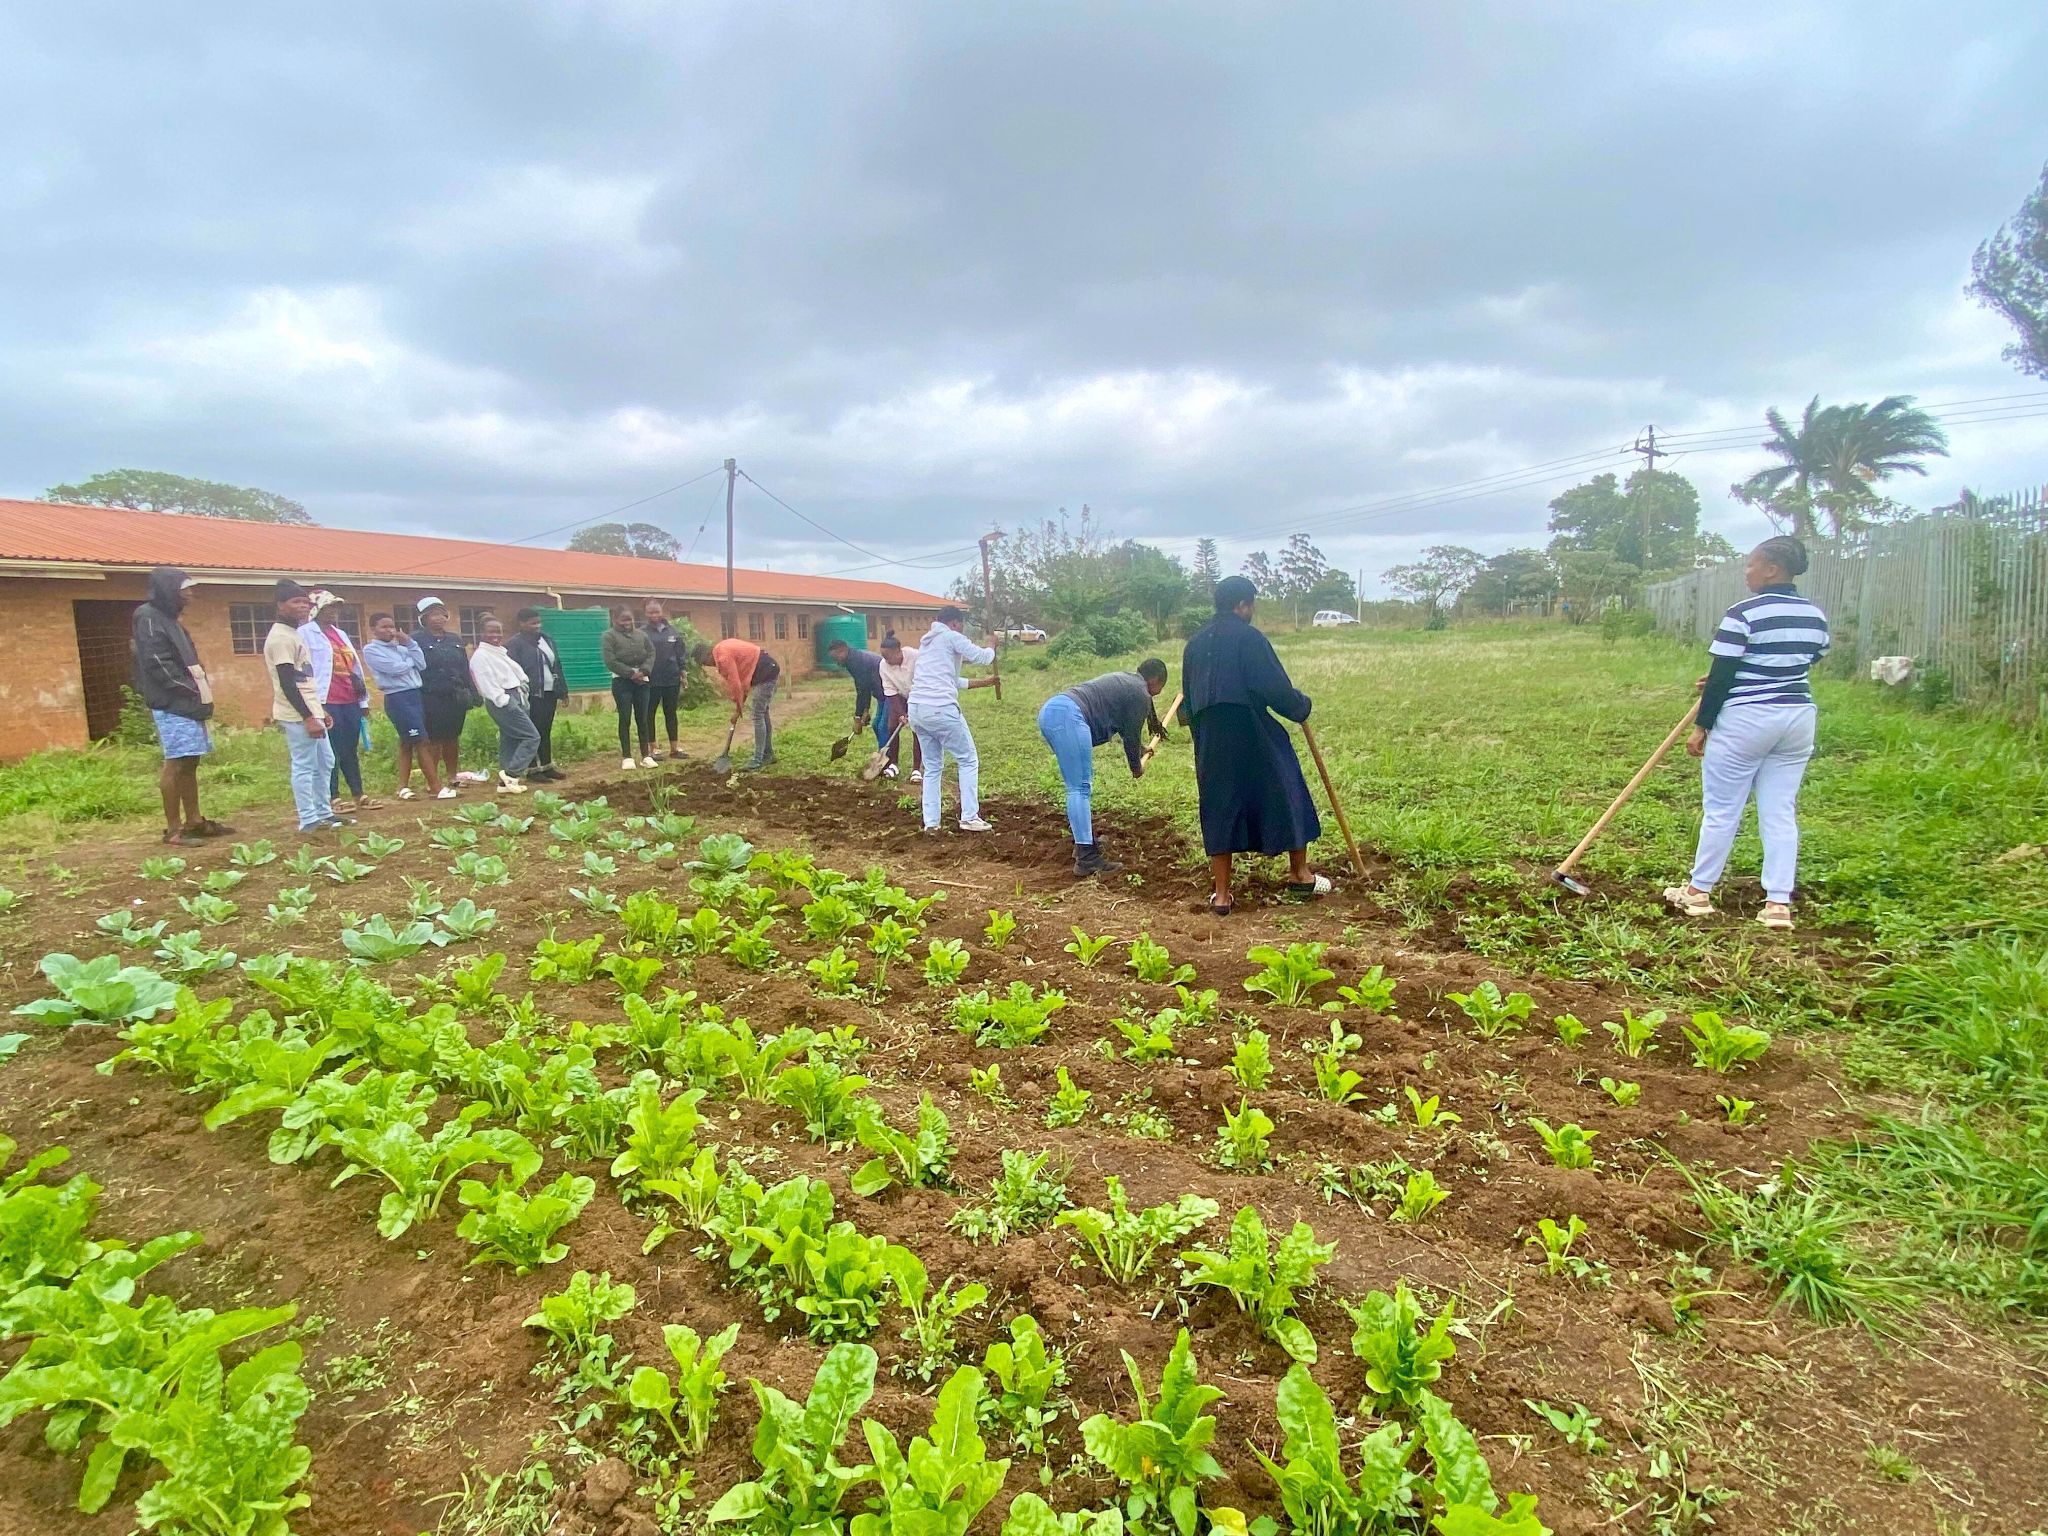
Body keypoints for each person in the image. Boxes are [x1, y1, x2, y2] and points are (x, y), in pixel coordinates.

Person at [1664, 535, 1830, 932]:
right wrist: (1744, 674)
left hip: (1747, 720)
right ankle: (1777, 904)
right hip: (1796, 718)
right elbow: (1806, 660)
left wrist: (1702, 726)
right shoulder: (1814, 615)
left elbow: (1723, 674)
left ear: (1773, 568)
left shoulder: (1743, 613)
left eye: (1752, 565)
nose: (1747, 572)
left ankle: (1698, 892)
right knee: (1779, 810)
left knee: (1722, 809)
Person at [1181, 575, 1329, 915]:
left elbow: (1187, 704)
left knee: (1218, 803)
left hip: (1210, 737)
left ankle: (1221, 896)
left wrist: (1201, 739)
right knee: (1288, 784)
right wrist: (1299, 705)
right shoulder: (1249, 638)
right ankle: (1300, 874)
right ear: (1242, 605)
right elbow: (1274, 687)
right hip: (1249, 727)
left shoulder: (1194, 644)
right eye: (1251, 605)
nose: (1252, 611)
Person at [130, 565, 233, 846]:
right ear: (169, 589)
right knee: (175, 763)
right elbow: (158, 663)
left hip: (188, 702)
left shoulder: (170, 619)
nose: (191, 593)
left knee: (190, 761)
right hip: (172, 703)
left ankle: (195, 821)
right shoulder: (148, 617)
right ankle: (174, 830)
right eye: (185, 588)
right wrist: (190, 690)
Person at [1038, 659, 1169, 877]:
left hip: (1055, 712)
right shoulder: (1140, 693)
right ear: (1155, 681)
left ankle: (1085, 842)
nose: (1156, 694)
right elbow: (1131, 737)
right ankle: (1086, 858)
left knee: (1080, 783)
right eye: (1160, 689)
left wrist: (1141, 749)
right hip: (1069, 716)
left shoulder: (1128, 682)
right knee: (1079, 787)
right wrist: (1136, 768)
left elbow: (1128, 728)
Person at [906, 605, 999, 833]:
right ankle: (969, 816)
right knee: (968, 759)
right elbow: (982, 657)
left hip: (916, 710)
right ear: (955, 623)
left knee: (933, 767)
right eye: (962, 625)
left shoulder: (927, 644)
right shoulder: (951, 637)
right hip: (940, 709)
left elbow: (952, 680)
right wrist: (992, 645)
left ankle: (931, 823)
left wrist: (985, 683)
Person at [265, 579, 346, 833]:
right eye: (295, 601)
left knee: (326, 761)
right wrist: (308, 717)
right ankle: (308, 818)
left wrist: (319, 711)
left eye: (305, 602)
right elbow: (288, 683)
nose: (302, 606)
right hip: (296, 713)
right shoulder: (280, 638)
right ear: (280, 605)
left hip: (311, 709)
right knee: (305, 765)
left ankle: (324, 812)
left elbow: (305, 679)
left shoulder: (294, 634)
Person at [308, 591, 382, 812]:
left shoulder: (340, 634)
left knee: (350, 748)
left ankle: (358, 793)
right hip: (326, 699)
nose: (333, 612)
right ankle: (332, 796)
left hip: (349, 697)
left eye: (336, 608)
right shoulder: (305, 634)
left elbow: (354, 668)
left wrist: (363, 701)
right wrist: (314, 705)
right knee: (330, 750)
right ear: (317, 609)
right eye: (328, 608)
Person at [363, 612, 449, 800]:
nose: (389, 630)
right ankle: (436, 787)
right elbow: (395, 669)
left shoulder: (402, 648)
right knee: (421, 740)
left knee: (407, 742)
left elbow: (422, 664)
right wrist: (408, 663)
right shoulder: (371, 650)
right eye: (383, 627)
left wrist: (410, 643)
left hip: (414, 695)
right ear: (373, 629)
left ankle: (402, 787)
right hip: (397, 697)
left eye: (391, 626)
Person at [469, 615, 540, 794]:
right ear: (481, 633)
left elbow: (516, 673)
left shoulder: (499, 651)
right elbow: (487, 684)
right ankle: (512, 773)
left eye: (499, 631)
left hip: (515, 696)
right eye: (491, 631)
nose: (496, 635)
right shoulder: (481, 656)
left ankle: (504, 783)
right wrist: (505, 701)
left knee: (510, 739)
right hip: (502, 701)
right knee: (531, 737)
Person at [693, 634, 783, 771]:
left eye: (706, 663)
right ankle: (768, 753)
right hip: (767, 668)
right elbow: (743, 683)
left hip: (765, 672)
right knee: (762, 713)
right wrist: (738, 707)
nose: (710, 666)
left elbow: (735, 685)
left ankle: (758, 759)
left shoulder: (722, 657)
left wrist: (738, 708)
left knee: (758, 715)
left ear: (707, 655)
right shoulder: (722, 648)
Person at [415, 598, 475, 792]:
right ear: (424, 618)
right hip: (430, 695)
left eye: (441, 614)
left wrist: (472, 691)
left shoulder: (455, 640)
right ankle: (433, 781)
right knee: (432, 739)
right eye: (433, 614)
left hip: (455, 695)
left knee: (452, 737)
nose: (438, 618)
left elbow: (465, 667)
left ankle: (452, 776)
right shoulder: (416, 640)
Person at [507, 609, 569, 781]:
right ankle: (533, 770)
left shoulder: (546, 639)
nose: (537, 626)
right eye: (533, 623)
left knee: (545, 729)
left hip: (549, 691)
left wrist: (563, 690)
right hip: (531, 693)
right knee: (533, 731)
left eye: (538, 622)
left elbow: (557, 664)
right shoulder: (515, 644)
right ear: (521, 624)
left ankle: (547, 766)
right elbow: (512, 670)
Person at [602, 606, 658, 768]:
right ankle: (627, 756)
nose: (627, 623)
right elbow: (610, 660)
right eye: (623, 620)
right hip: (622, 682)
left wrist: (644, 671)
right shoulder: (608, 636)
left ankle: (646, 755)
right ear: (615, 620)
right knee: (625, 718)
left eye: (629, 619)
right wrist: (630, 673)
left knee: (643, 718)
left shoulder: (642, 635)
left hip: (643, 681)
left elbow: (651, 653)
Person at [642, 599, 690, 759]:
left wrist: (683, 673)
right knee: (650, 713)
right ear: (645, 613)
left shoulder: (673, 632)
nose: (654, 615)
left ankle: (674, 748)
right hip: (651, 679)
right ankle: (653, 748)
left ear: (661, 612)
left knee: (671, 713)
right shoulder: (642, 633)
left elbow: (680, 654)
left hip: (671, 678)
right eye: (650, 612)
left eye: (656, 612)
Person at [825, 637, 889, 758]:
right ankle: (884, 753)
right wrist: (865, 711)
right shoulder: (852, 658)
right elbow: (865, 686)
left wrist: (858, 717)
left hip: (891, 693)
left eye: (835, 657)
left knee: (883, 726)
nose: (836, 662)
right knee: (876, 725)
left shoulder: (856, 661)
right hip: (881, 693)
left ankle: (885, 757)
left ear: (843, 650)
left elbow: (862, 689)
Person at [876, 630, 923, 781]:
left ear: (898, 651)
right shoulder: (883, 666)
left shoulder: (915, 657)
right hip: (900, 696)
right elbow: (891, 692)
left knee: (917, 728)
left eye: (887, 656)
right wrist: (901, 713)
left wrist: (913, 707)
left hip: (921, 695)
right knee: (892, 726)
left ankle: (916, 769)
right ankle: (893, 764)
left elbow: (925, 680)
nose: (885, 660)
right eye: (883, 656)